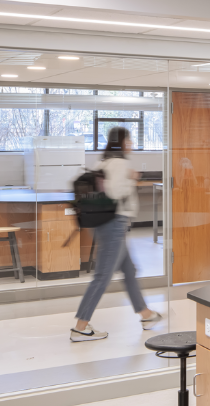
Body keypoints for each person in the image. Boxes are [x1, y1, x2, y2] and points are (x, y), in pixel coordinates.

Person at [71, 127, 161, 342]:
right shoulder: (120, 164)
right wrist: (132, 178)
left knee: (129, 270)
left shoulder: (103, 162)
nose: (131, 144)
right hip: (114, 223)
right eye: (129, 140)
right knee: (102, 276)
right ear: (122, 142)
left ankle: (146, 315)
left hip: (104, 222)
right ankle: (80, 327)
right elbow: (116, 193)